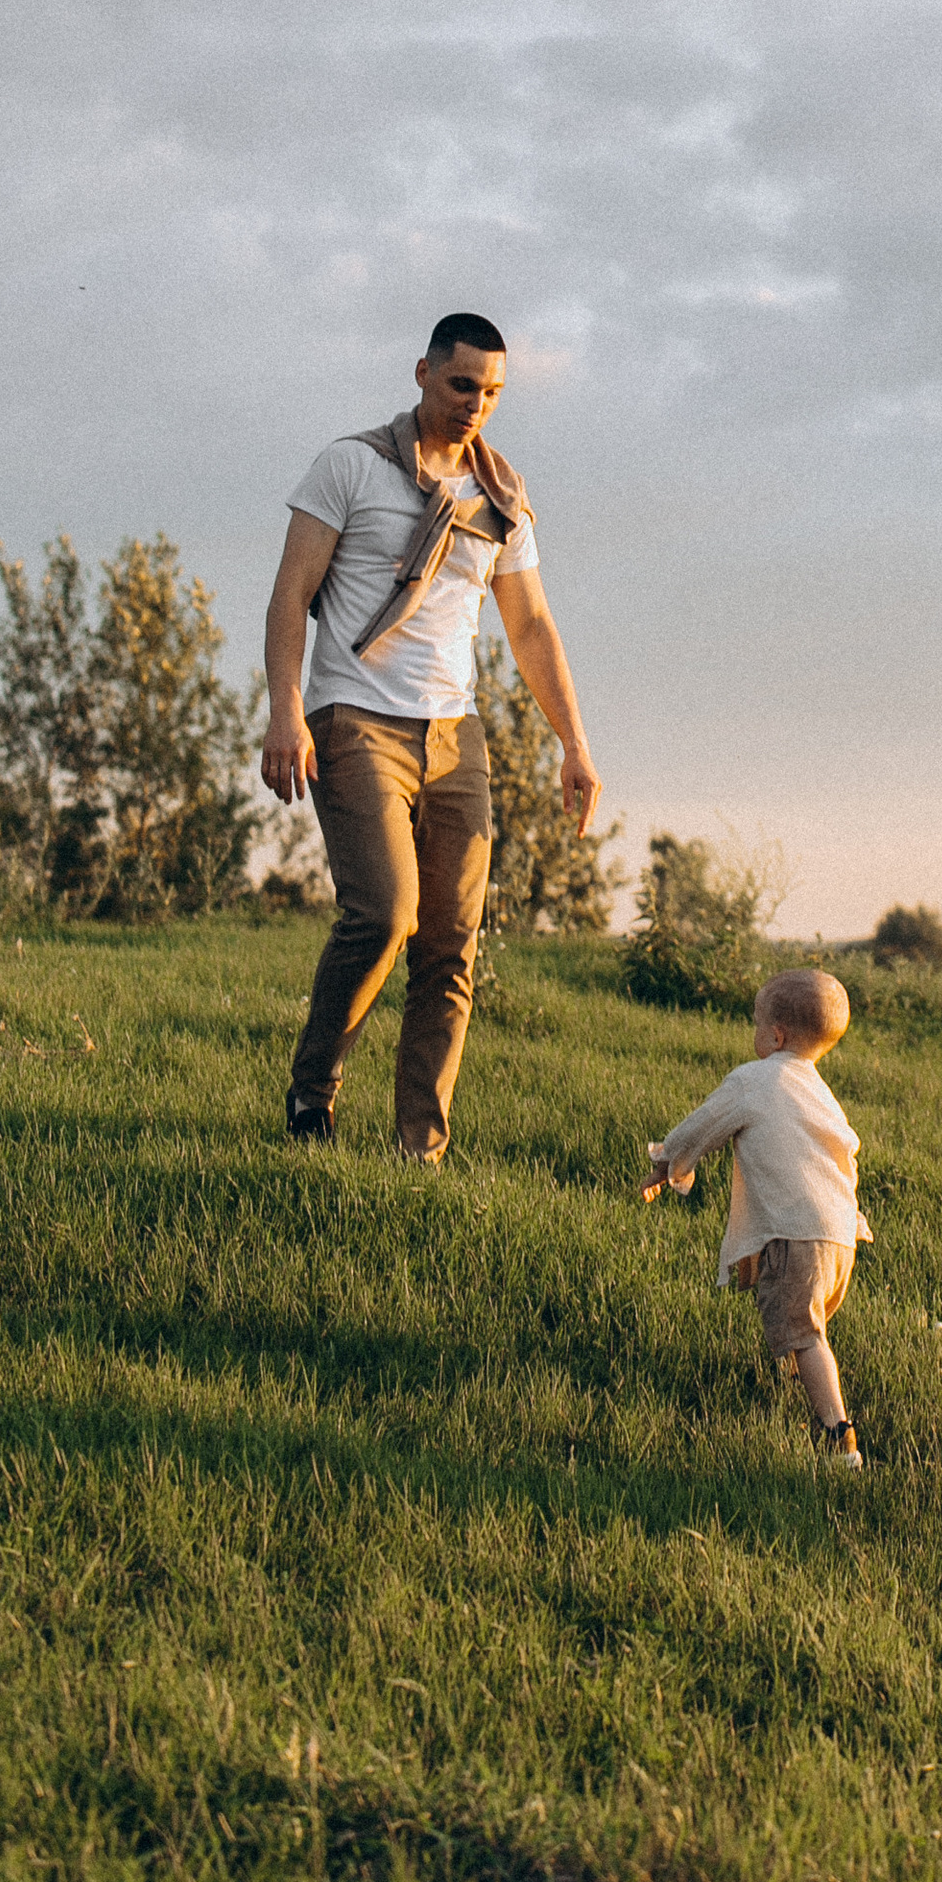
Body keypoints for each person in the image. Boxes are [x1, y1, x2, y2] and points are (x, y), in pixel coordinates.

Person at [261, 314, 600, 1159]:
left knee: (451, 945)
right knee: (385, 914)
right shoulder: (351, 465)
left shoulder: (504, 500)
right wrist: (284, 709)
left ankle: (421, 1148)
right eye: (461, 386)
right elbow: (290, 594)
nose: (475, 405)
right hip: (354, 716)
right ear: (421, 374)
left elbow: (530, 628)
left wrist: (575, 744)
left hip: (456, 734)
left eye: (491, 393)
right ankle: (314, 1092)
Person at [641, 968, 870, 1470]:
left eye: (755, 1023)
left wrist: (668, 1162)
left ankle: (838, 1434)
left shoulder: (754, 1078)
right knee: (804, 1324)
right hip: (840, 1235)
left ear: (776, 1035)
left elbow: (705, 1124)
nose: (753, 1033)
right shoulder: (821, 1092)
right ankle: (786, 1384)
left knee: (805, 1335)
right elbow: (844, 1154)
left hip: (797, 1233)